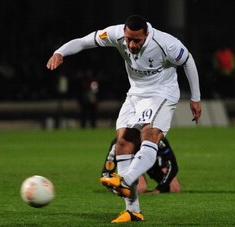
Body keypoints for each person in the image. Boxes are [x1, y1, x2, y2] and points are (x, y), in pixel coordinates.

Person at [47, 15, 201, 223]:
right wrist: (60, 52)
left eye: (136, 40)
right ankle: (132, 210)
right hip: (135, 94)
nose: (131, 44)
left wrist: (195, 98)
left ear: (147, 34)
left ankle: (125, 180)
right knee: (123, 142)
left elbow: (188, 61)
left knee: (149, 133)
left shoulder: (166, 43)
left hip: (162, 93)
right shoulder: (116, 34)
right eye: (128, 39)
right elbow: (84, 42)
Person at [102, 137, 181, 194]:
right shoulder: (119, 143)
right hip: (132, 163)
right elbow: (106, 173)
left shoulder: (157, 138)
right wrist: (117, 190)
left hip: (153, 163)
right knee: (140, 188)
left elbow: (173, 167)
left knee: (174, 188)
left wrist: (159, 189)